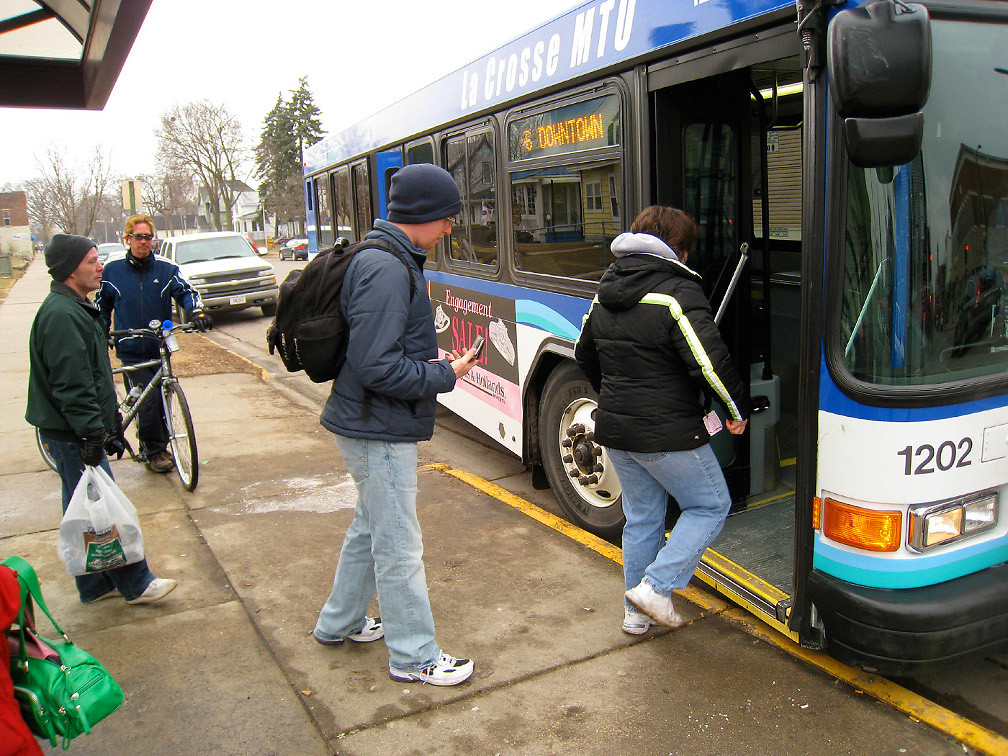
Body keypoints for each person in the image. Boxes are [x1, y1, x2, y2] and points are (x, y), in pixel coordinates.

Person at [313, 163, 480, 686]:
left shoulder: (390, 257)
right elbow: (375, 365)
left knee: (370, 529)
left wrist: (432, 364)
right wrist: (441, 374)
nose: (451, 227)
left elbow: (379, 353)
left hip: (369, 421)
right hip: (376, 428)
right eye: (448, 217)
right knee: (398, 545)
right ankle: (414, 656)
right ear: (424, 214)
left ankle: (337, 623)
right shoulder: (387, 267)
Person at [574, 206, 749, 634]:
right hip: (667, 432)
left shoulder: (605, 289)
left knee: (643, 519)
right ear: (680, 250)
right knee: (710, 505)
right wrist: (735, 411)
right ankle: (656, 587)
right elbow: (710, 365)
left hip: (616, 428)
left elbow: (584, 354)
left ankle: (636, 615)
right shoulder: (677, 293)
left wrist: (619, 398)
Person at [26, 234, 178, 605]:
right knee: (104, 510)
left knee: (82, 506)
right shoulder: (62, 315)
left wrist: (105, 424)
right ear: (69, 269)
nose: (100, 266)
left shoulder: (75, 306)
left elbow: (91, 375)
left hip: (70, 430)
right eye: (92, 260)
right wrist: (93, 433)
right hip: (72, 432)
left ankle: (94, 585)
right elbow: (73, 384)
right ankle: (136, 583)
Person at [95, 214, 212, 473]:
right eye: (138, 237)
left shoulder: (166, 268)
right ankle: (154, 452)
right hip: (130, 348)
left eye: (148, 237)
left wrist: (196, 311)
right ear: (127, 239)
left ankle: (158, 444)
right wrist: (101, 331)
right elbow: (101, 304)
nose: (144, 242)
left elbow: (186, 292)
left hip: (159, 346)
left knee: (160, 399)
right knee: (146, 406)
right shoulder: (112, 270)